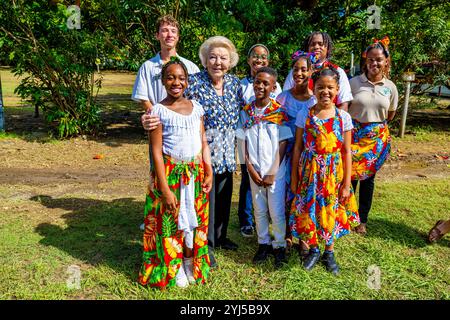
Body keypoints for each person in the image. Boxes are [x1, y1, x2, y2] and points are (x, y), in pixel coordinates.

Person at [138, 58, 213, 289]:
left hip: (195, 173)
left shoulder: (196, 107)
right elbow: (157, 152)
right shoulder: (158, 111)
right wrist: (165, 188)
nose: (176, 82)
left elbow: (202, 141)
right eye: (170, 77)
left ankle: (190, 262)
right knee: (171, 221)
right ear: (163, 81)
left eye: (181, 78)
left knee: (194, 221)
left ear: (188, 82)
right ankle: (175, 265)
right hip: (171, 175)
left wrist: (208, 169)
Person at [132, 15, 200, 231]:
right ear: (157, 35)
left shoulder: (189, 66)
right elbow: (143, 96)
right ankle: (155, 215)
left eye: (173, 30)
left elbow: (196, 100)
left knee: (186, 177)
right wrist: (155, 116)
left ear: (178, 37)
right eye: (164, 30)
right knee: (158, 171)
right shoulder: (148, 66)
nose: (168, 34)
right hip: (160, 128)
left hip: (185, 131)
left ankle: (185, 216)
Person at [290, 67, 359, 275]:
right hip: (310, 173)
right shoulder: (306, 114)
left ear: (337, 89)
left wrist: (346, 183)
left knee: (331, 210)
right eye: (320, 87)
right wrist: (294, 177)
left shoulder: (343, 117)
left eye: (330, 87)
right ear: (313, 88)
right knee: (309, 210)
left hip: (333, 175)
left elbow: (346, 151)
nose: (325, 92)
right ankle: (313, 249)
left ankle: (329, 251)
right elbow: (298, 147)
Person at [184, 36, 244, 268]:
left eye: (223, 58)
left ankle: (221, 237)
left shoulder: (235, 84)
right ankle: (206, 245)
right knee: (205, 199)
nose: (217, 62)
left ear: (230, 62)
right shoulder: (195, 82)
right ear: (205, 60)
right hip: (203, 150)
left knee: (224, 196)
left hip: (228, 150)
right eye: (213, 57)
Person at [239, 67, 292, 268]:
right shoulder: (246, 112)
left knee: (276, 210)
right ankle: (263, 243)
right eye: (258, 82)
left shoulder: (279, 112)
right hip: (254, 170)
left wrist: (272, 171)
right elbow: (242, 142)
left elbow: (283, 143)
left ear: (273, 87)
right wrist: (250, 169)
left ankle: (279, 245)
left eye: (265, 83)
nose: (261, 86)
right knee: (259, 209)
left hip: (275, 171)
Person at [348, 36, 398, 235]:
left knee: (368, 180)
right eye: (371, 59)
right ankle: (346, 216)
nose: (374, 63)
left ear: (386, 61)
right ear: (365, 61)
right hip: (352, 136)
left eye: (378, 59)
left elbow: (390, 114)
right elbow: (344, 108)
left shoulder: (391, 87)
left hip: (374, 139)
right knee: (349, 177)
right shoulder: (353, 83)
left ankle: (362, 220)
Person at [237, 44, 282, 238]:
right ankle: (248, 221)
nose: (259, 59)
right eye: (254, 56)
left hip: (270, 144)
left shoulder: (276, 89)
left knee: (273, 188)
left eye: (263, 57)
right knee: (249, 181)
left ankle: (275, 230)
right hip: (248, 140)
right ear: (248, 60)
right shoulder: (241, 85)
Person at [276, 51, 317, 256]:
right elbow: (276, 126)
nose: (299, 73)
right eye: (296, 69)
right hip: (285, 153)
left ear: (311, 71)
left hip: (306, 157)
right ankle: (286, 235)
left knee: (303, 194)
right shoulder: (282, 97)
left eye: (303, 69)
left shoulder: (314, 101)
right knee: (285, 194)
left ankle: (304, 238)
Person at [283, 31, 353, 111]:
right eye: (312, 44)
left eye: (320, 44)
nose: (316, 47)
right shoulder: (296, 71)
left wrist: (334, 122)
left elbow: (344, 104)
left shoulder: (338, 72)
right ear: (307, 48)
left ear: (328, 48)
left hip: (329, 120)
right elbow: (285, 98)